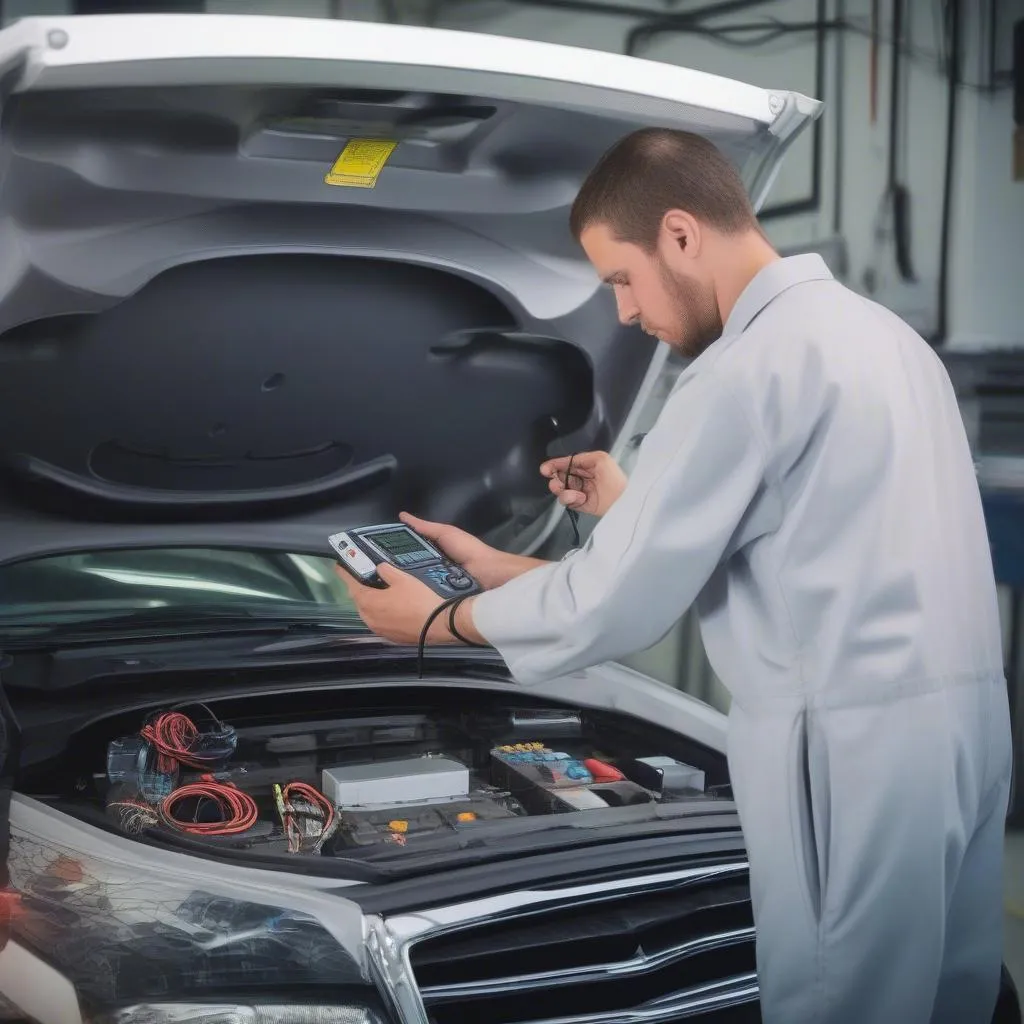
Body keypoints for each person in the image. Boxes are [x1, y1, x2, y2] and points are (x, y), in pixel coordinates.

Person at [339, 127, 1013, 1024]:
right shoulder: (885, 340)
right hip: (963, 733)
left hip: (845, 753)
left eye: (622, 278)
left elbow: (616, 606)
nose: (621, 312)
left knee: (841, 1001)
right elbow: (807, 540)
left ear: (682, 235)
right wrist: (510, 568)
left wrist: (437, 623)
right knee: (949, 1000)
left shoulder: (744, 370)